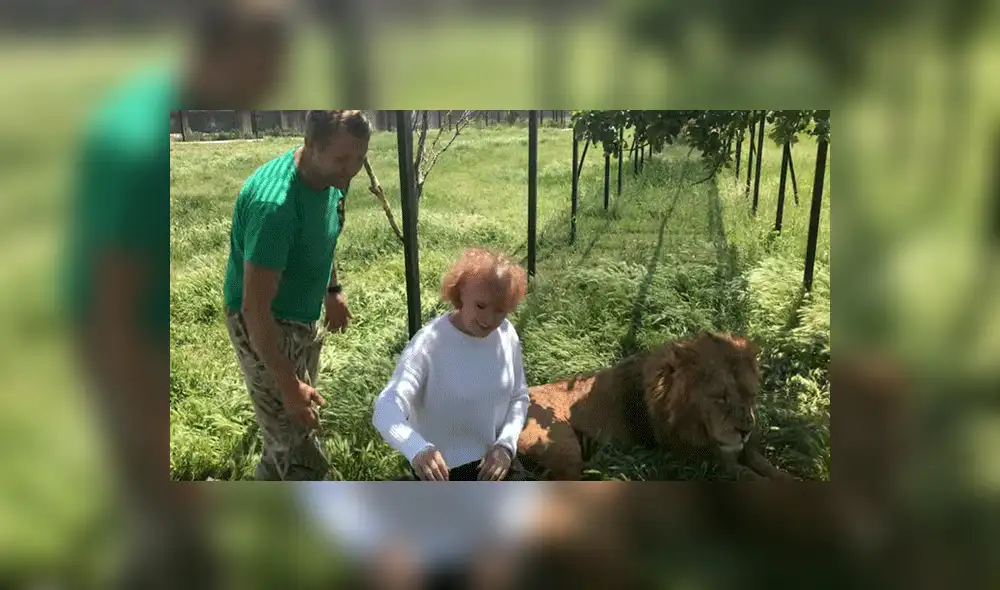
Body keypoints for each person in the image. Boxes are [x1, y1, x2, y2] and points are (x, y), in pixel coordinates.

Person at [63, 1, 292, 587]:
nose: (274, 84)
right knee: (162, 527)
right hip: (121, 342)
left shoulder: (166, 106)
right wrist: (150, 437)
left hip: (142, 331)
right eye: (265, 67)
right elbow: (109, 311)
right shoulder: (137, 144)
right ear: (222, 54)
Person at [223, 109, 372, 481]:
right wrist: (287, 386)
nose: (351, 170)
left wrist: (332, 289)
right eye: (343, 159)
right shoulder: (275, 207)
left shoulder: (332, 175)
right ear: (310, 145)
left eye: (360, 158)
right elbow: (254, 308)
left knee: (301, 419)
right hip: (265, 320)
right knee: (287, 439)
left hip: (301, 313)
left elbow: (324, 237)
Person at [372, 247, 534, 481]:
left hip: (496, 467)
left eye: (500, 311)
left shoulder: (507, 335)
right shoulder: (429, 344)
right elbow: (386, 408)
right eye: (480, 306)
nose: (489, 320)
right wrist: (417, 449)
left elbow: (519, 397)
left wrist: (506, 446)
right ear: (460, 294)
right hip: (442, 476)